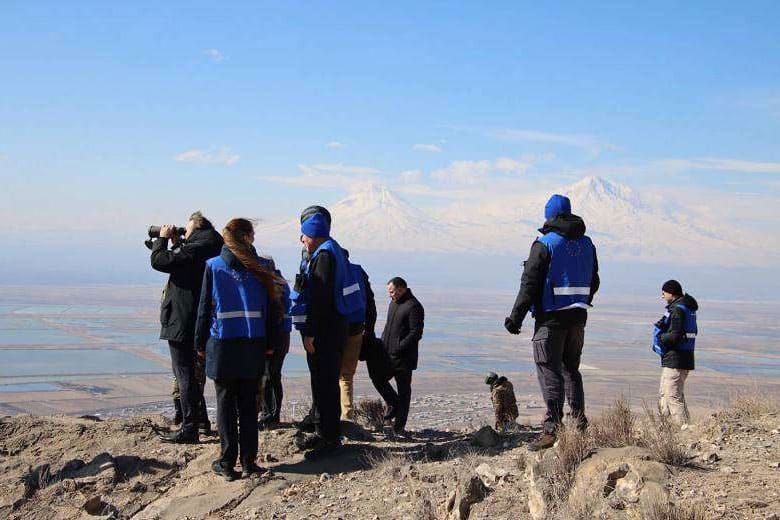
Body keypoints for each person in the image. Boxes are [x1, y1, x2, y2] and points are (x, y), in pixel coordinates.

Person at [504, 194, 599, 451]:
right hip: (578, 318)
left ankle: (551, 430)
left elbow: (529, 284)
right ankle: (579, 425)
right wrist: (579, 300)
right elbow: (595, 281)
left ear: (550, 216)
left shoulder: (545, 244)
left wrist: (515, 318)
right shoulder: (587, 244)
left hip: (551, 319)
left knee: (549, 371)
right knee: (571, 370)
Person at [195, 218, 282, 480]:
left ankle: (226, 462)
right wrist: (270, 344)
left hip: (222, 345)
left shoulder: (214, 266)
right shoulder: (261, 267)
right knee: (248, 403)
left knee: (225, 405)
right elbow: (273, 311)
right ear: (248, 237)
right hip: (253, 344)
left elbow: (204, 309)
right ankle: (249, 462)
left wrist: (199, 344)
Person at [293, 210, 364, 459]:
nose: (301, 239)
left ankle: (329, 439)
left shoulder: (324, 256)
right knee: (325, 383)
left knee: (325, 384)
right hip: (336, 329)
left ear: (313, 233)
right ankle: (324, 431)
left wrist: (310, 333)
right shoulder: (333, 251)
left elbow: (320, 299)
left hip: (326, 332)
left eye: (304, 234)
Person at [151, 211, 223, 444]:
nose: (184, 231)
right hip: (198, 319)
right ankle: (199, 421)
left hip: (183, 319)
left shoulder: (198, 247)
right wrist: (179, 243)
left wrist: (161, 239)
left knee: (184, 373)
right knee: (191, 373)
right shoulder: (211, 245)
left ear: (197, 227)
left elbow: (160, 261)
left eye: (187, 228)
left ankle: (189, 428)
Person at [377, 277, 424, 435]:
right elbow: (388, 326)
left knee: (404, 391)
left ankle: (399, 427)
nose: (390, 295)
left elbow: (415, 333)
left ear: (401, 289)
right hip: (387, 354)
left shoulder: (414, 306)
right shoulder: (394, 303)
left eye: (392, 291)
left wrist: (399, 347)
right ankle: (393, 403)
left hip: (404, 358)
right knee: (378, 378)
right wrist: (382, 343)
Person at [653, 280, 698, 428]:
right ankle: (667, 430)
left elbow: (675, 336)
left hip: (676, 359)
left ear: (671, 293)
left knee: (672, 395)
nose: (662, 296)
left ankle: (683, 430)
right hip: (679, 358)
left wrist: (660, 338)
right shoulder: (686, 308)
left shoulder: (677, 310)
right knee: (665, 394)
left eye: (664, 292)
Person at [257, 256, 292, 430]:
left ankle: (270, 415)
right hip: (282, 336)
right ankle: (271, 414)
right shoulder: (281, 282)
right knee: (273, 376)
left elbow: (274, 315)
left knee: (270, 376)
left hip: (275, 336)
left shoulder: (274, 284)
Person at [339, 251, 370, 421]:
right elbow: (369, 301)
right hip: (357, 328)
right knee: (347, 375)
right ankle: (347, 415)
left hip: (336, 329)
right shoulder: (358, 272)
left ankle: (330, 414)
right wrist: (369, 328)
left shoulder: (331, 271)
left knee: (331, 372)